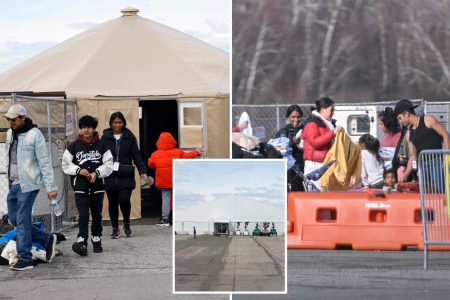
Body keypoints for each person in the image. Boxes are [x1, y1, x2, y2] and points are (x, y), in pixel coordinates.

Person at [4, 104, 58, 270]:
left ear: (23, 118)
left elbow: (44, 162)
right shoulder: (10, 133)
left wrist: (51, 187)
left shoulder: (35, 135)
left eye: (13, 119)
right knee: (14, 220)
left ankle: (25, 258)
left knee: (21, 219)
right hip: (13, 182)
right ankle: (47, 239)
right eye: (8, 119)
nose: (10, 122)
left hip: (28, 184)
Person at [62, 115, 113, 256]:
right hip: (81, 187)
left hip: (97, 187)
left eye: (89, 127)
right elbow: (65, 164)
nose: (86, 130)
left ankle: (96, 239)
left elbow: (109, 164)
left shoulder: (102, 145)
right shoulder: (74, 146)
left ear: (94, 128)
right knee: (83, 215)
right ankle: (82, 241)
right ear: (80, 128)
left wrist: (97, 172)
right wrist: (78, 170)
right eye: (83, 127)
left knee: (96, 215)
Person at [101, 112, 147, 239]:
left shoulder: (129, 137)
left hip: (125, 174)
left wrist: (142, 170)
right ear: (111, 123)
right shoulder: (105, 137)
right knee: (113, 203)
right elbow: (99, 155)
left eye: (120, 122)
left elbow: (136, 155)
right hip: (110, 174)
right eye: (115, 122)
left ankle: (126, 223)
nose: (117, 125)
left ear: (123, 123)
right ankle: (115, 228)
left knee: (124, 199)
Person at [148, 132, 204, 226]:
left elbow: (150, 164)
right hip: (176, 181)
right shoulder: (178, 152)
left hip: (163, 183)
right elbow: (187, 156)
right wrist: (196, 152)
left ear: (159, 142)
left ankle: (165, 220)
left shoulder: (155, 154)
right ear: (172, 141)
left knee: (166, 199)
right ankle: (177, 217)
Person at [394, 99, 450, 185]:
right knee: (427, 193)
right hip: (423, 165)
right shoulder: (409, 133)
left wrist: (446, 159)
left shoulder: (428, 120)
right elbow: (412, 156)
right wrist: (404, 176)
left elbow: (445, 135)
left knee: (439, 192)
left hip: (437, 162)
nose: (400, 121)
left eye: (400, 118)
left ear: (406, 114)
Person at [302, 97, 342, 191]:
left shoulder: (327, 124)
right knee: (316, 195)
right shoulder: (312, 123)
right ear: (323, 109)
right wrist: (332, 133)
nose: (333, 113)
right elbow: (315, 142)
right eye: (331, 110)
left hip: (324, 164)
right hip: (314, 166)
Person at [275, 104, 305, 191]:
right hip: (289, 168)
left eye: (298, 117)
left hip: (303, 165)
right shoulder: (284, 131)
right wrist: (291, 142)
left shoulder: (305, 129)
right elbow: (278, 149)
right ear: (288, 117)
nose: (296, 119)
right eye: (293, 117)